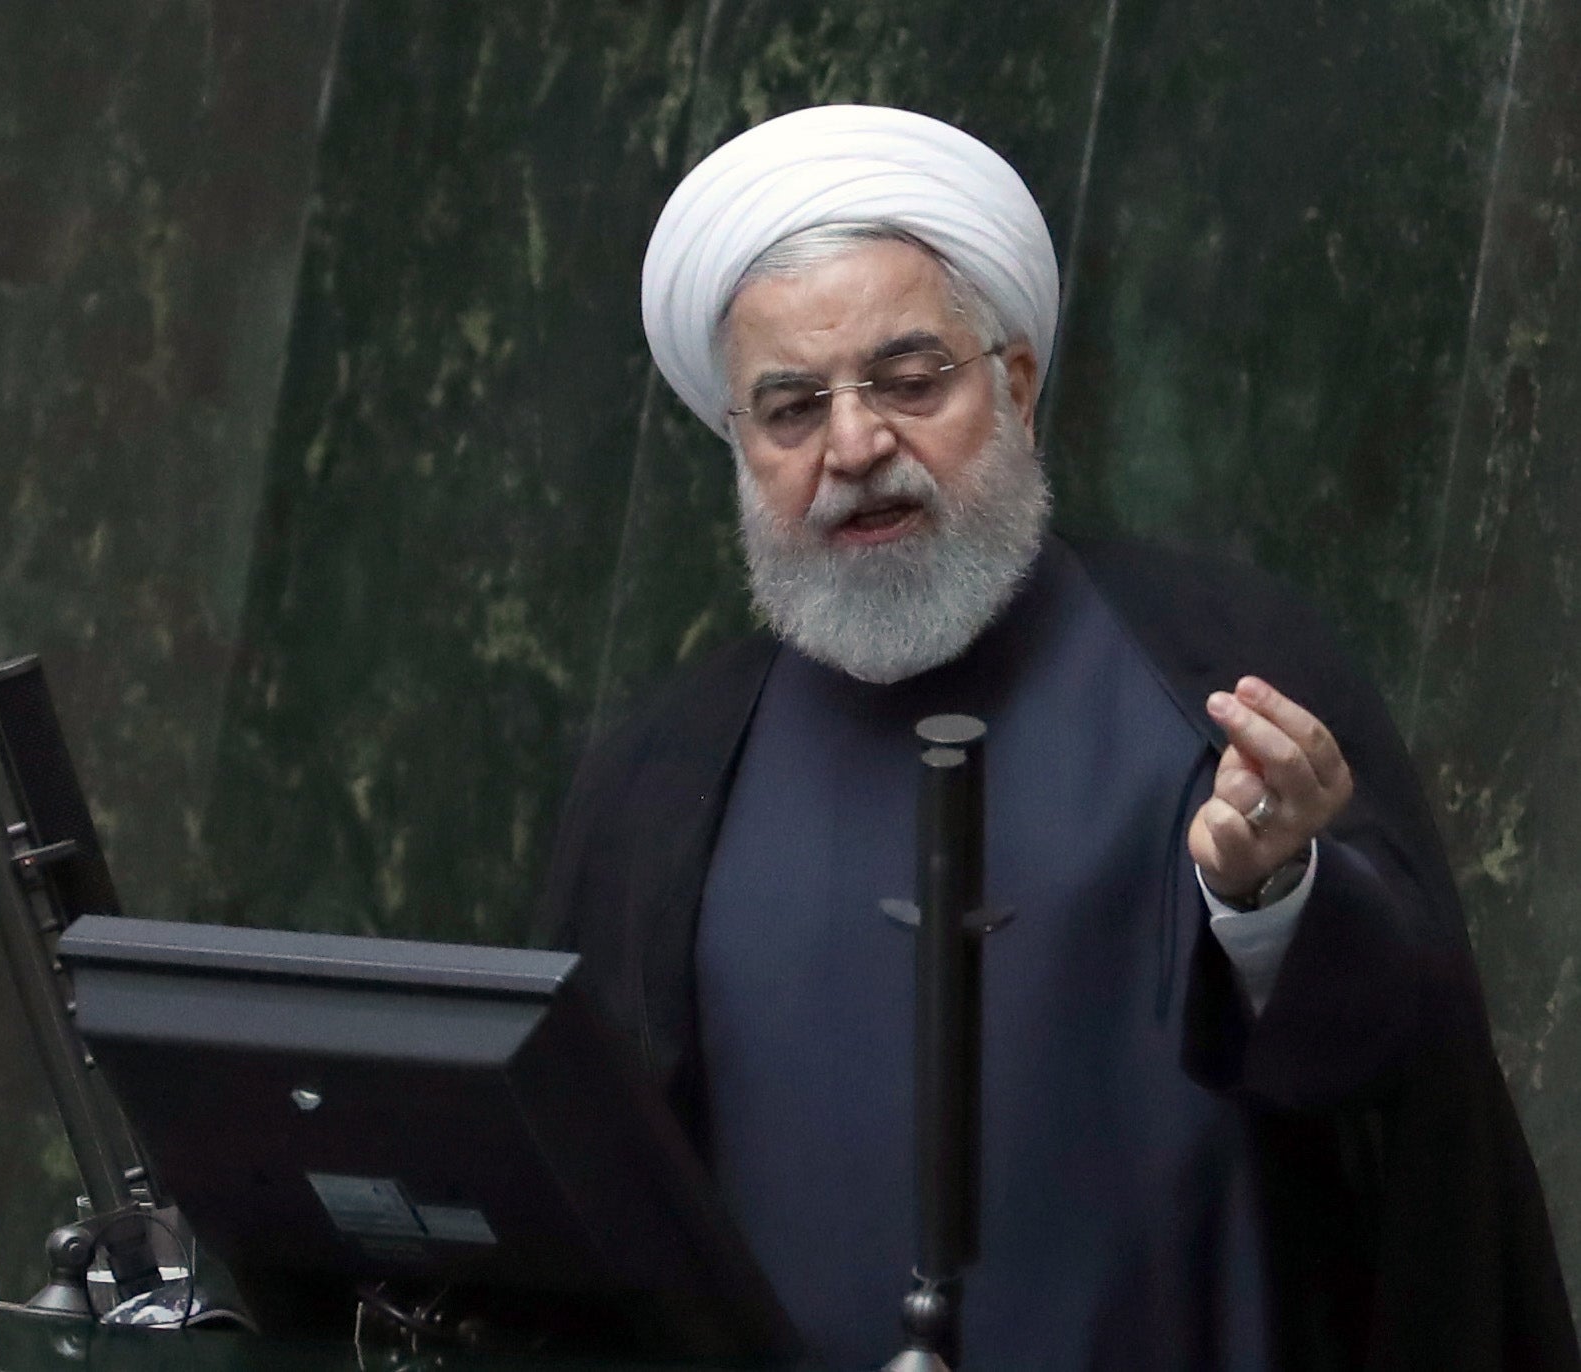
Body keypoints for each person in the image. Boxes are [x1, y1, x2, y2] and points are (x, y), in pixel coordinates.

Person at [537, 104, 1577, 1369]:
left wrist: (1275, 898)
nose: (857, 445)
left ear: (1015, 382)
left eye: (911, 381)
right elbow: (577, 1210)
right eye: (792, 409)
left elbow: (1400, 1091)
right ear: (741, 447)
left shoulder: (1215, 663)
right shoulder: (660, 780)